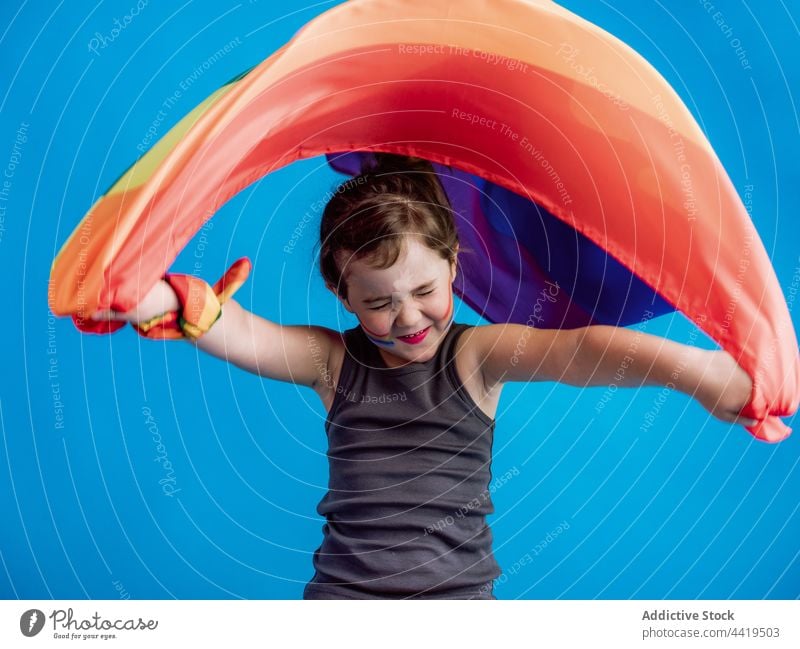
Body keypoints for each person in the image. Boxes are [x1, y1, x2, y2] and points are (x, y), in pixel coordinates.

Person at [91, 153, 757, 599]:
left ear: (455, 263)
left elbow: (580, 352)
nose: (408, 318)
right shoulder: (333, 362)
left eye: (425, 290)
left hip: (458, 607)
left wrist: (698, 374)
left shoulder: (475, 356)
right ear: (341, 292)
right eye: (378, 302)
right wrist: (151, 299)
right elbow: (235, 330)